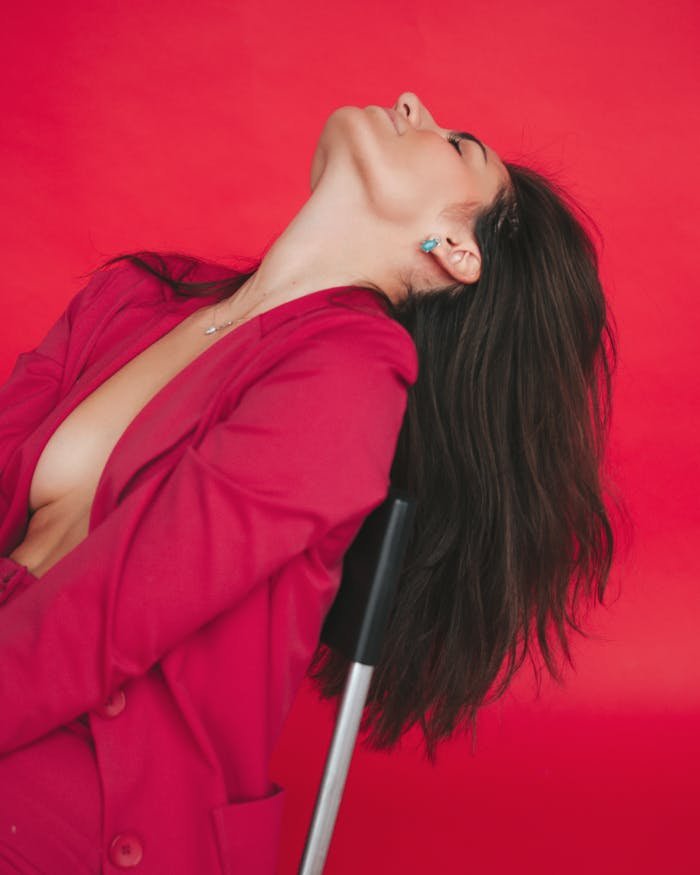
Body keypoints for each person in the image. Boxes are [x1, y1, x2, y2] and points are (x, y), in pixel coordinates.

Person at [0, 91, 620, 873]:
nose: (411, 102)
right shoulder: (131, 297)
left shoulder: (348, 378)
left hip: (97, 798)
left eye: (458, 144)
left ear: (458, 250)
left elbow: (108, 615)